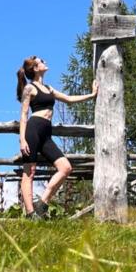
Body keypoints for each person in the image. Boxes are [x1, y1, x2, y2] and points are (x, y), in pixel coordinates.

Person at [15, 55, 97, 219]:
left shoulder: (49, 88)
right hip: (33, 130)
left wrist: (92, 94)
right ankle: (31, 214)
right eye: (41, 61)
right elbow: (24, 115)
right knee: (29, 172)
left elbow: (69, 100)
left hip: (46, 133)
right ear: (36, 68)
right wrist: (22, 139)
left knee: (66, 167)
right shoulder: (29, 89)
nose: (45, 62)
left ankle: (42, 203)